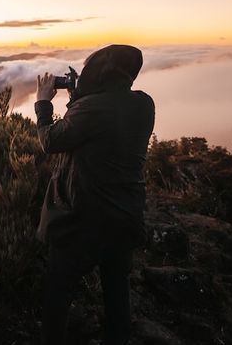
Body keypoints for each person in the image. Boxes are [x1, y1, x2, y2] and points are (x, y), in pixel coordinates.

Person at [34, 44, 155, 345]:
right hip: (125, 216)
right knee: (116, 293)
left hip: (82, 220)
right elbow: (100, 132)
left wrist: (43, 104)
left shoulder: (92, 108)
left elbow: (51, 141)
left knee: (58, 294)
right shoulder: (143, 104)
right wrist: (80, 99)